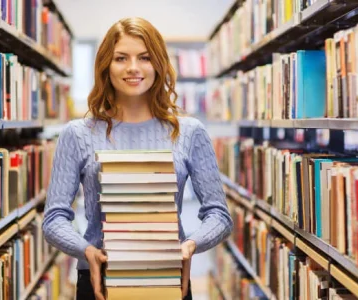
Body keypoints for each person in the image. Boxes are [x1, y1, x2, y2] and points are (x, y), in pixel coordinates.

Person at [42, 16, 233, 300]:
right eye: (121, 58)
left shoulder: (190, 131)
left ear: (158, 63)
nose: (133, 68)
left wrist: (190, 244)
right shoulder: (78, 134)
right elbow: (54, 218)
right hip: (97, 278)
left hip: (167, 277)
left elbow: (219, 214)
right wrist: (86, 251)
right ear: (106, 65)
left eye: (144, 57)